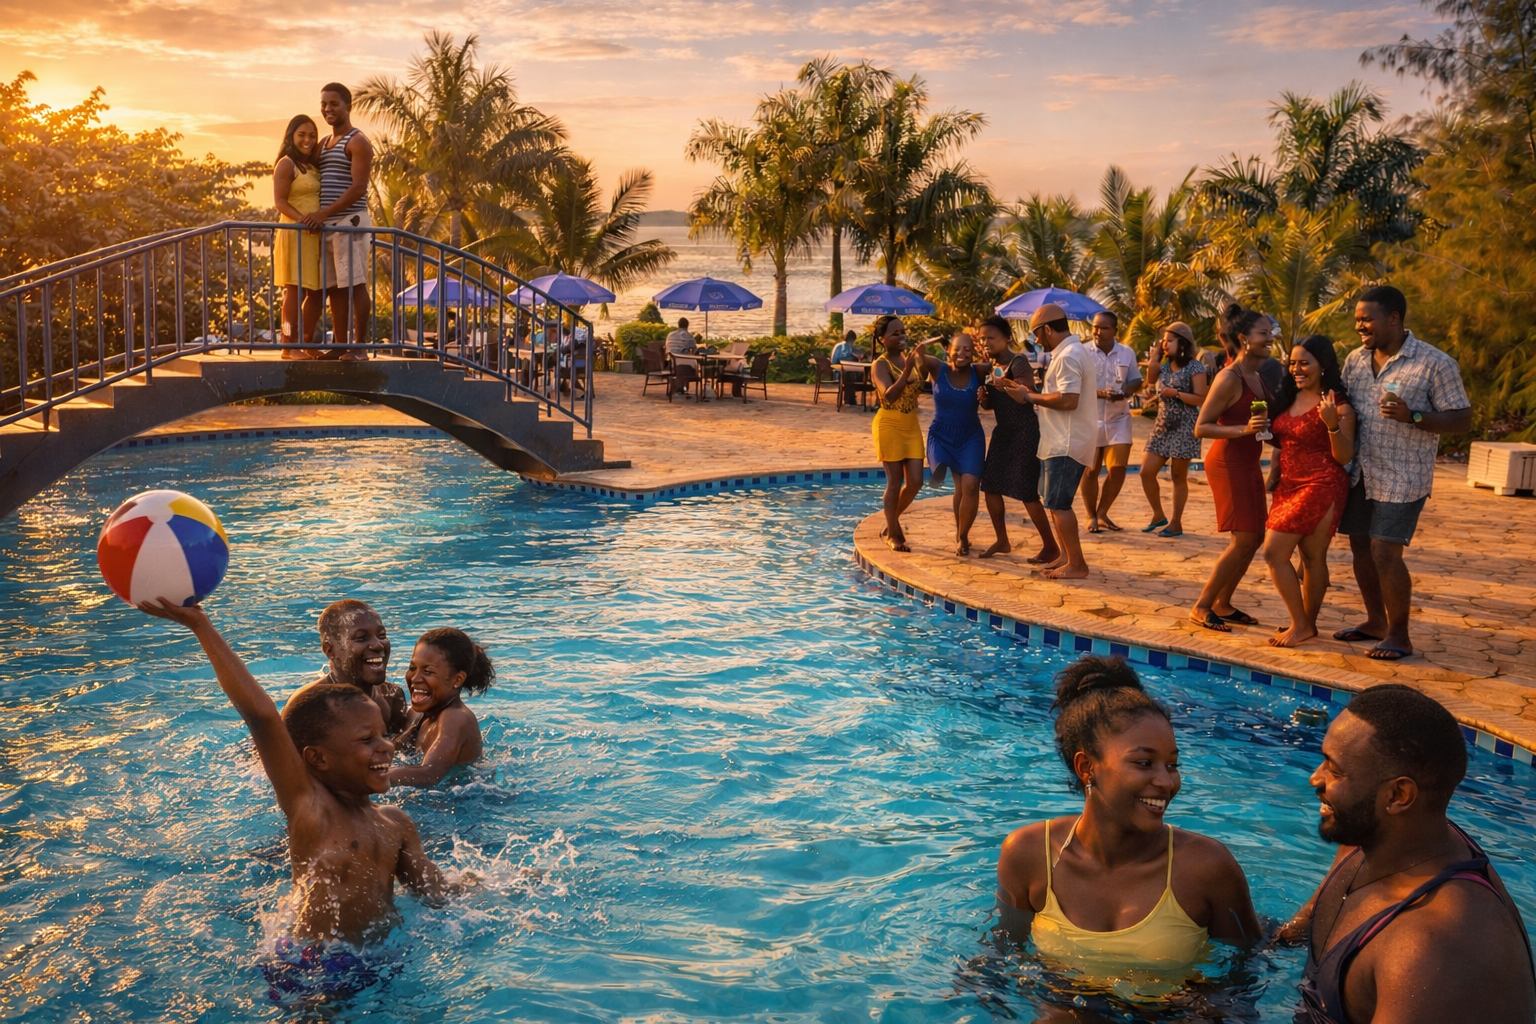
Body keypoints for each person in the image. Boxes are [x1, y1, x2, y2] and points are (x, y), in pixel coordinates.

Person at [135, 600, 454, 955]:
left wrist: (513, 885)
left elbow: (440, 895)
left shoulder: (396, 824)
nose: (386, 749)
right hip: (315, 971)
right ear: (317, 759)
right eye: (367, 741)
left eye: (383, 736)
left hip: (384, 963)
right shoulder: (312, 812)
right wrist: (201, 627)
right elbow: (261, 716)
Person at [995, 656, 1260, 987]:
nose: (1166, 782)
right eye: (1145, 763)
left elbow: (1247, 971)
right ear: (1086, 767)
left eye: (1172, 765)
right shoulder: (1028, 854)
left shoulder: (1206, 868)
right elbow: (1003, 955)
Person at [1280, 684, 1534, 1024]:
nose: (1315, 778)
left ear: (1399, 795)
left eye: (1335, 770)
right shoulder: (1372, 832)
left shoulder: (1428, 952)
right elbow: (1316, 913)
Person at [1334, 286, 1472, 661]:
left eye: (1367, 318)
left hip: (1403, 475)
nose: (1359, 325)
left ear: (1394, 318)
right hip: (1361, 471)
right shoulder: (1355, 360)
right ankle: (1376, 621)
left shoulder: (1435, 363)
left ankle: (1399, 635)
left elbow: (1461, 418)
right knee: (1360, 547)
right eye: (1358, 318)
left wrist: (1414, 415)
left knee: (1384, 553)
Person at [1262, 336, 1356, 648]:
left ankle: (1301, 624)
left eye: (1304, 362)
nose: (1296, 368)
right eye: (1292, 362)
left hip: (1322, 483)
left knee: (1274, 552)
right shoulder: (1290, 396)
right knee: (1312, 557)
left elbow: (1344, 456)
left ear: (1323, 365)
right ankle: (1307, 624)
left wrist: (1332, 425)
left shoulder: (1338, 406)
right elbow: (1283, 440)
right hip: (1289, 484)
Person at [1189, 305, 1274, 632]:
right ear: (1244, 339)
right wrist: (1243, 430)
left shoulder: (1257, 374)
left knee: (1256, 538)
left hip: (1249, 461)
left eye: (1270, 332)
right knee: (1242, 539)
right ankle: (1203, 605)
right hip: (1228, 462)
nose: (1270, 338)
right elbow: (1202, 427)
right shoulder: (1229, 377)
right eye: (1263, 333)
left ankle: (1223, 603)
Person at [999, 303, 1096, 580]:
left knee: (1059, 503)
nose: (1036, 341)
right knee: (1054, 503)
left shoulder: (1068, 356)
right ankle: (1066, 557)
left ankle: (1077, 564)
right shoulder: (1071, 352)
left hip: (1066, 442)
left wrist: (1028, 397)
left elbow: (1068, 399)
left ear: (1048, 329)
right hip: (1059, 440)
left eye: (1037, 334)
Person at [975, 315, 1058, 564]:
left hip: (1025, 431)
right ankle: (1002, 540)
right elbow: (993, 405)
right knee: (989, 485)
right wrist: (985, 399)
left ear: (1006, 338)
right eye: (983, 339)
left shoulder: (1017, 361)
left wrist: (1002, 383)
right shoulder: (990, 366)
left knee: (1026, 491)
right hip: (1004, 431)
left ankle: (1051, 546)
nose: (986, 343)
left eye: (991, 337)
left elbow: (1026, 393)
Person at [389, 628, 494, 788]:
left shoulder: (456, 718)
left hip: (464, 799)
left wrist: (365, 777)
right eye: (412, 668)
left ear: (457, 680)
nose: (415, 678)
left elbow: (429, 774)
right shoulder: (416, 715)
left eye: (428, 671)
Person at [284, 600, 409, 735]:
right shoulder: (309, 707)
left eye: (382, 635)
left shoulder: (392, 697)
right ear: (330, 650)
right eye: (361, 638)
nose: (378, 645)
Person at [917, 333, 988, 556]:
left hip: (970, 436)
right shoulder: (938, 368)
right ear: (949, 350)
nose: (962, 353)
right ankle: (940, 466)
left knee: (968, 487)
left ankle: (963, 536)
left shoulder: (979, 371)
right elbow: (917, 355)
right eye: (958, 348)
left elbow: (1001, 366)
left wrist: (986, 395)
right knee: (955, 482)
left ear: (973, 352)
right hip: (942, 435)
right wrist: (928, 342)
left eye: (967, 349)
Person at [317, 83, 373, 361]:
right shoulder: (324, 145)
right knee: (334, 287)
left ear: (348, 106)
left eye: (334, 104)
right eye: (324, 104)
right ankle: (340, 346)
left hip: (350, 222)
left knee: (355, 283)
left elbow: (358, 188)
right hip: (328, 227)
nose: (328, 109)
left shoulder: (357, 141)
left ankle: (359, 347)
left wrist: (323, 213)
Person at [1138, 322, 1207, 537]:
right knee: (1146, 472)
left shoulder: (1195, 367)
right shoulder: (1164, 367)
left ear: (1183, 343)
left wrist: (1176, 394)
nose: (1165, 344)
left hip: (1185, 425)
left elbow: (1200, 398)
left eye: (1169, 340)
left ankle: (1176, 522)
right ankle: (1158, 515)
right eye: (1164, 341)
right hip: (1162, 425)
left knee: (1178, 476)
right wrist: (1155, 359)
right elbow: (1149, 383)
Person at [1080, 311, 1142, 533]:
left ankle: (1102, 512)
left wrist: (1125, 391)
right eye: (1095, 327)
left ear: (1115, 330)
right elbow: (1074, 382)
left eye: (1103, 328)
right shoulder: (1083, 352)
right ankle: (1090, 515)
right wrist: (1097, 393)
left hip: (1119, 418)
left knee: (1117, 470)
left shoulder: (1126, 353)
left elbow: (1136, 379)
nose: (1097, 331)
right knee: (1090, 471)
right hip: (1090, 418)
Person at [870, 315, 926, 552]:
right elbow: (889, 395)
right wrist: (907, 371)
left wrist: (919, 363)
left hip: (911, 424)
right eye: (895, 333)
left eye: (903, 332)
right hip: (889, 424)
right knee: (895, 483)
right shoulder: (880, 364)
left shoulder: (907, 358)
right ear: (882, 339)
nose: (902, 336)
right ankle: (894, 533)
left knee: (915, 482)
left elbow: (921, 387)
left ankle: (890, 522)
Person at [272, 115, 324, 360]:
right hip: (295, 232)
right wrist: (303, 220)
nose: (307, 139)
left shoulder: (312, 166)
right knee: (294, 292)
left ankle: (306, 343)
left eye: (312, 135)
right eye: (302, 134)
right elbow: (280, 202)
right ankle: (287, 345)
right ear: (292, 135)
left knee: (316, 292)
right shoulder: (286, 164)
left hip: (313, 236)